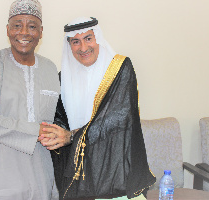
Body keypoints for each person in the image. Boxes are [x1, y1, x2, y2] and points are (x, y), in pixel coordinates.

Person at [39, 17, 156, 200]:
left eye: (88, 38)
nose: (83, 48)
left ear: (98, 38)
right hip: (81, 179)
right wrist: (53, 134)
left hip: (116, 174)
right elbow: (60, 120)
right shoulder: (63, 79)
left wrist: (71, 136)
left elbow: (116, 119)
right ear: (69, 45)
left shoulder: (120, 69)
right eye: (75, 41)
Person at [0, 0, 59, 199]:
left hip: (39, 176)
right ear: (8, 29)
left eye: (32, 26)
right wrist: (35, 130)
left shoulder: (51, 70)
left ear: (41, 32)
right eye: (17, 25)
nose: (24, 32)